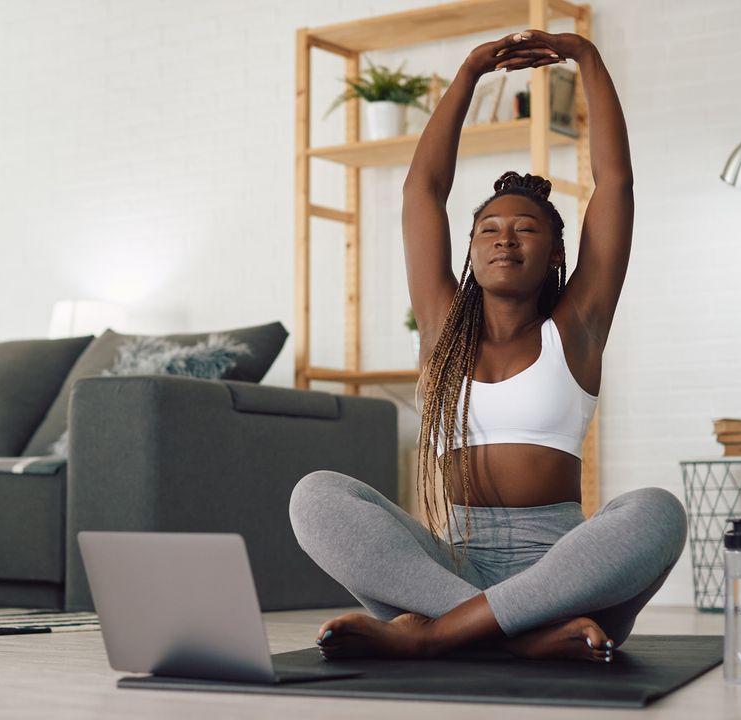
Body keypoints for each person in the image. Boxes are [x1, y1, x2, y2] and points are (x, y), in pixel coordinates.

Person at [288, 29, 687, 664]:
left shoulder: (576, 328)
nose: (505, 239)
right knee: (315, 496)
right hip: (450, 570)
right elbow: (421, 190)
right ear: (469, 249)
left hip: (564, 575)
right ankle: (513, 634)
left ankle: (444, 635)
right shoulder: (441, 326)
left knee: (657, 511)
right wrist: (472, 69)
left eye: (525, 229)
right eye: (489, 229)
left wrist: (587, 56)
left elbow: (615, 183)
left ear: (556, 251)